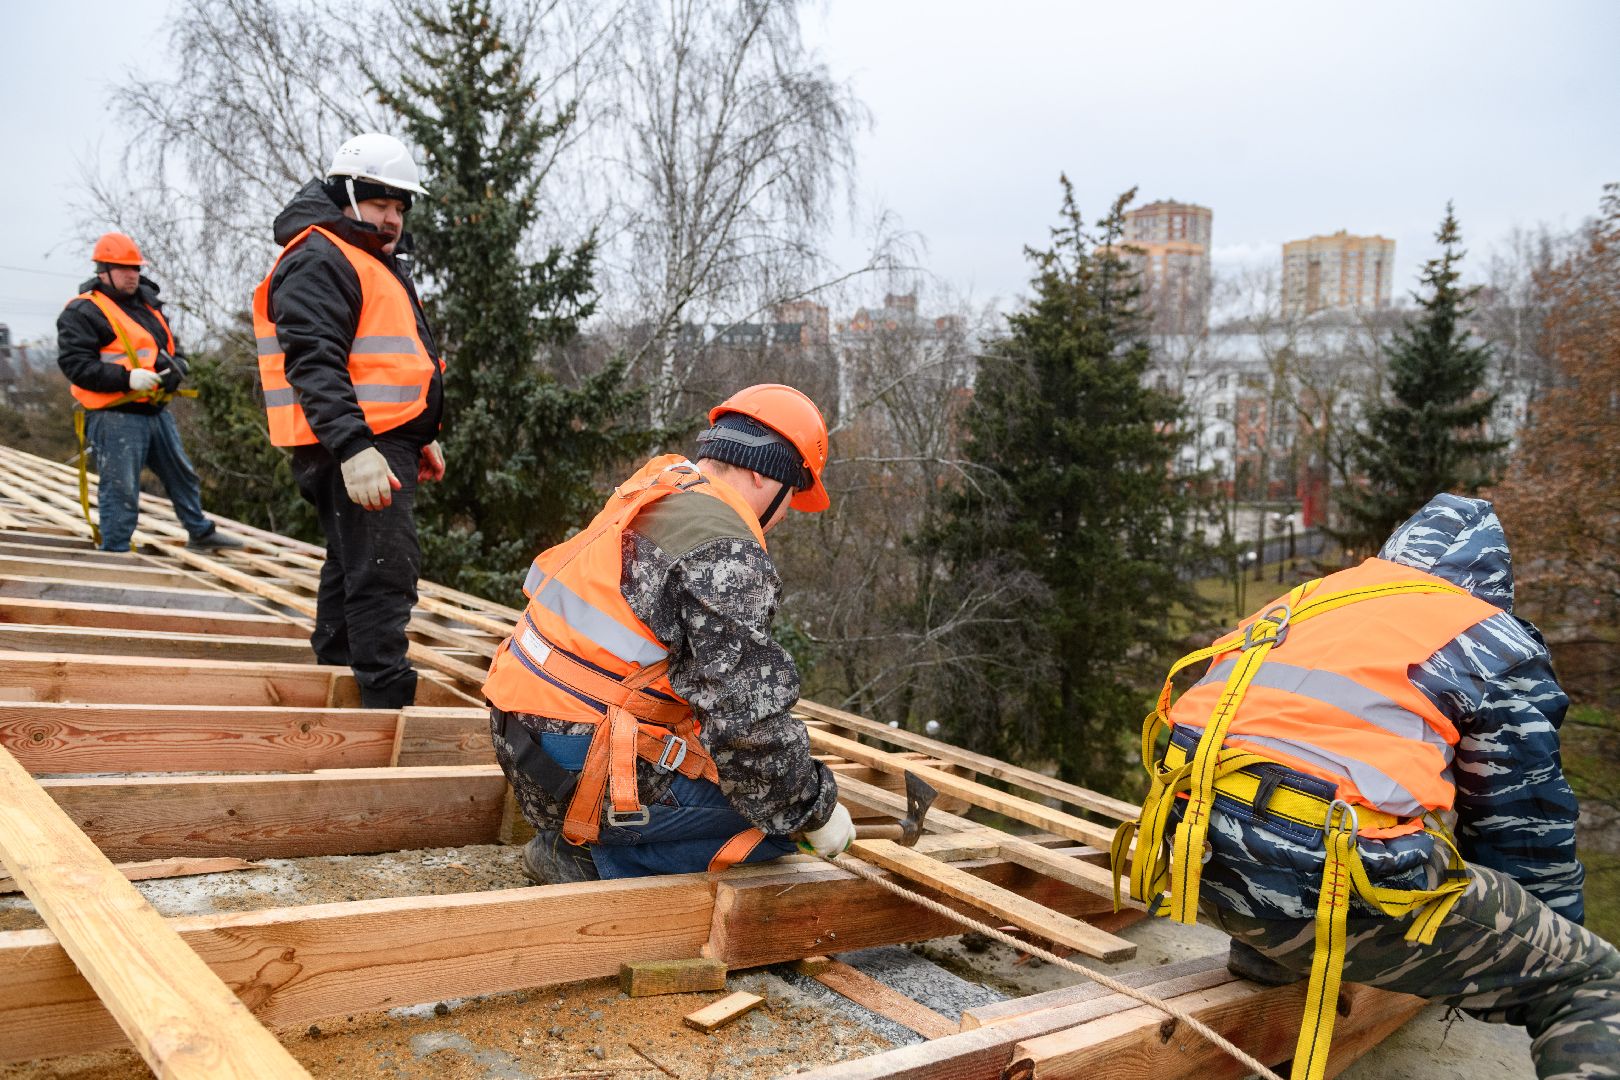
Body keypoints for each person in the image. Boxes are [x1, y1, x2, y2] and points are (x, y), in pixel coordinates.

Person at [1113, 494, 1618, 1080]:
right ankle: (1292, 938)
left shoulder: (1309, 599)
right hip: (1317, 891)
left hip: (1189, 864)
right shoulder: (1490, 638)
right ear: (1491, 584)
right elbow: (1524, 833)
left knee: (1291, 805)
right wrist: (1538, 952)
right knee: (1593, 979)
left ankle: (1268, 954)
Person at [483, 383, 854, 883]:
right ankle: (588, 860)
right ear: (762, 472)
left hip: (522, 740)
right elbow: (749, 726)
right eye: (791, 495)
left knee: (740, 773)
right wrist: (815, 811)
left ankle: (588, 835)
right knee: (775, 821)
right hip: (578, 771)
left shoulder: (660, 488)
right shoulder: (725, 549)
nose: (786, 514)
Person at [253, 133, 446, 710]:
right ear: (346, 195)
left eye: (400, 207)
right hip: (358, 442)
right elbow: (314, 362)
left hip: (380, 437)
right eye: (381, 204)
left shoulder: (364, 258)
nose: (392, 219)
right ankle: (385, 705)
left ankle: (338, 682)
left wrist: (421, 433)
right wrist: (355, 447)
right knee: (384, 570)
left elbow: (389, 360)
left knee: (351, 563)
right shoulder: (322, 256)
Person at [56, 232, 241, 553]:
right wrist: (126, 378)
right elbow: (76, 366)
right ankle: (115, 550)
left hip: (154, 410)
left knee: (182, 475)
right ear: (103, 271)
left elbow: (170, 348)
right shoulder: (84, 312)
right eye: (125, 268)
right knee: (121, 487)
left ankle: (199, 532)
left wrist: (178, 366)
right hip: (114, 415)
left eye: (136, 268)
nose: (133, 275)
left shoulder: (148, 305)